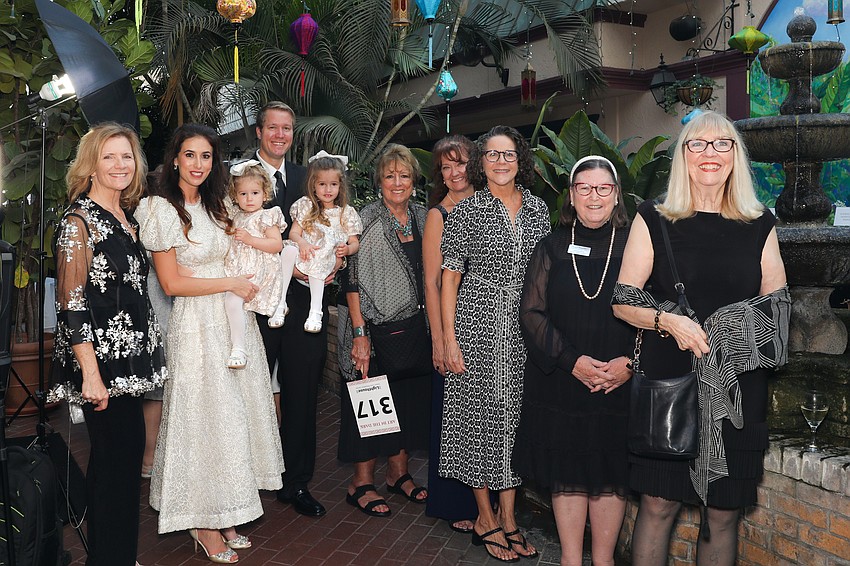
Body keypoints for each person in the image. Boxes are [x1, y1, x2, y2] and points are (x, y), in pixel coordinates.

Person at [611, 111, 789, 566]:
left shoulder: (759, 222)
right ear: (683, 156)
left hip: (736, 387)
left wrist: (731, 331)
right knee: (658, 505)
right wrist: (669, 321)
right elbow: (623, 298)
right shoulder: (655, 216)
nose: (710, 153)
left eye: (721, 144)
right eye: (698, 144)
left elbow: (779, 308)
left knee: (723, 515)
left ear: (735, 156)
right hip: (670, 382)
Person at [138, 124, 284, 564]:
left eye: (206, 156)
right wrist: (231, 284)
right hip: (197, 325)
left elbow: (255, 249)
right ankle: (202, 521)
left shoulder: (220, 206)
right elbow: (172, 282)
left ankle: (226, 512)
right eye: (190, 155)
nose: (198, 164)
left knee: (232, 419)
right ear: (175, 159)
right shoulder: (160, 209)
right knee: (203, 420)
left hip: (232, 324)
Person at [48, 122, 167, 566]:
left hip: (130, 362)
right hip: (101, 366)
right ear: (92, 166)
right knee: (117, 465)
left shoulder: (125, 218)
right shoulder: (79, 222)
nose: (120, 164)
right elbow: (71, 304)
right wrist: (92, 376)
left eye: (127, 156)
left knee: (115, 464)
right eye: (109, 156)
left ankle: (112, 554)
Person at [513, 156, 633, 566]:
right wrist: (572, 360)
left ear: (616, 195)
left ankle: (603, 561)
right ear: (571, 195)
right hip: (563, 381)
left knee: (609, 477)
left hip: (619, 384)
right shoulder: (551, 245)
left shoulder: (639, 243)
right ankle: (569, 561)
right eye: (584, 188)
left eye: (603, 188)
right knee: (568, 475)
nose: (593, 197)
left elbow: (660, 313)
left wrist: (630, 365)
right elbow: (530, 312)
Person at [440, 125, 551, 562]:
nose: (500, 162)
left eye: (508, 154)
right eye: (492, 154)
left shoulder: (539, 210)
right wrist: (448, 339)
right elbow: (449, 276)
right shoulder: (467, 210)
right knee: (478, 422)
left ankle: (509, 518)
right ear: (479, 162)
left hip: (526, 330)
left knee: (515, 425)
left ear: (519, 159)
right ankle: (485, 517)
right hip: (476, 325)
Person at [253, 101, 335, 517]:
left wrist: (334, 259)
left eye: (286, 129)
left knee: (303, 393)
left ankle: (295, 482)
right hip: (253, 304)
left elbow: (333, 229)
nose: (280, 135)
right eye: (272, 128)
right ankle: (246, 482)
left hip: (305, 304)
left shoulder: (310, 179)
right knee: (249, 392)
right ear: (259, 132)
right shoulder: (236, 178)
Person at [341, 143, 431, 517]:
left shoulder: (425, 217)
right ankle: (361, 483)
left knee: (408, 404)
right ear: (379, 180)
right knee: (371, 405)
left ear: (414, 181)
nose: (398, 182)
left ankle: (398, 475)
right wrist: (360, 334)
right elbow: (352, 279)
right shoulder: (364, 219)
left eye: (404, 175)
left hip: (416, 329)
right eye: (390, 175)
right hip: (374, 331)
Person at [422, 135, 479, 533]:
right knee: (454, 420)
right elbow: (431, 282)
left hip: (493, 329)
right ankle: (455, 502)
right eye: (446, 166)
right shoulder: (439, 215)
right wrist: (441, 340)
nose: (455, 172)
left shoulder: (492, 202)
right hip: (454, 328)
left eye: (460, 163)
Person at [272, 152, 362, 333]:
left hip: (324, 264)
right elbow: (294, 233)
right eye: (322, 184)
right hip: (303, 258)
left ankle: (315, 311)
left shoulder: (345, 212)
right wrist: (303, 244)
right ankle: (280, 303)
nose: (328, 190)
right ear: (313, 185)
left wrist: (347, 249)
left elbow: (354, 243)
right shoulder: (305, 205)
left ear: (340, 186)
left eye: (333, 185)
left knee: (322, 251)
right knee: (287, 250)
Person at [222, 160, 285, 369]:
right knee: (231, 301)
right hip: (239, 270)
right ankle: (238, 346)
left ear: (265, 194)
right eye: (243, 194)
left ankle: (239, 347)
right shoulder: (236, 216)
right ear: (235, 196)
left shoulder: (267, 215)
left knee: (234, 300)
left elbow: (276, 244)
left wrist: (250, 240)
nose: (249, 199)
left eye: (255, 193)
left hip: (260, 270)